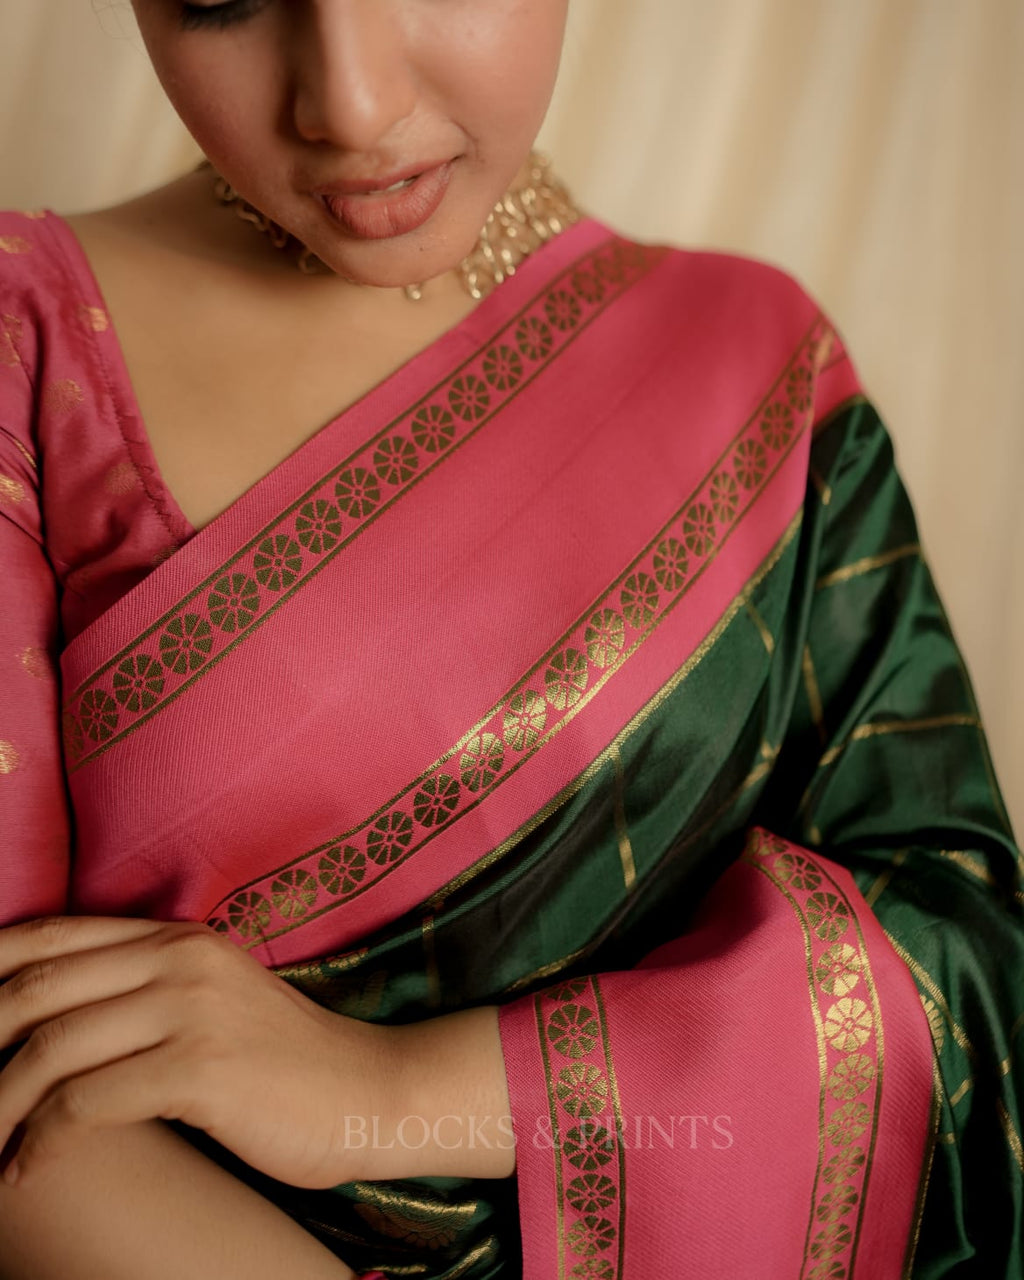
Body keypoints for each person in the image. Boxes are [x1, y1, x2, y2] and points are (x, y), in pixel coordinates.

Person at [0, 1, 1021, 1276]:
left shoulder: (755, 366)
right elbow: (23, 1098)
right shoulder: (26, 338)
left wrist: (391, 1091)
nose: (350, 105)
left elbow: (953, 967)